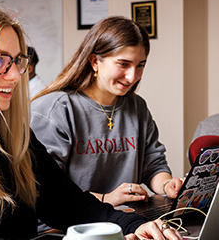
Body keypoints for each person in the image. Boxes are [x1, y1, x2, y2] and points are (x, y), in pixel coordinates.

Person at [0, 0, 182, 240]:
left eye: (17, 61)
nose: (16, 75)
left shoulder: (13, 134)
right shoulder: (55, 108)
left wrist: (133, 225)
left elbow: (70, 204)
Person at [30, 16, 184, 209]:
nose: (132, 77)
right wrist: (106, 199)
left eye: (140, 65)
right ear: (95, 61)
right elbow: (45, 190)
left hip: (125, 218)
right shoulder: (54, 109)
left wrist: (167, 184)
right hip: (68, 226)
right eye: (123, 64)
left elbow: (152, 164)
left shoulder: (137, 107)